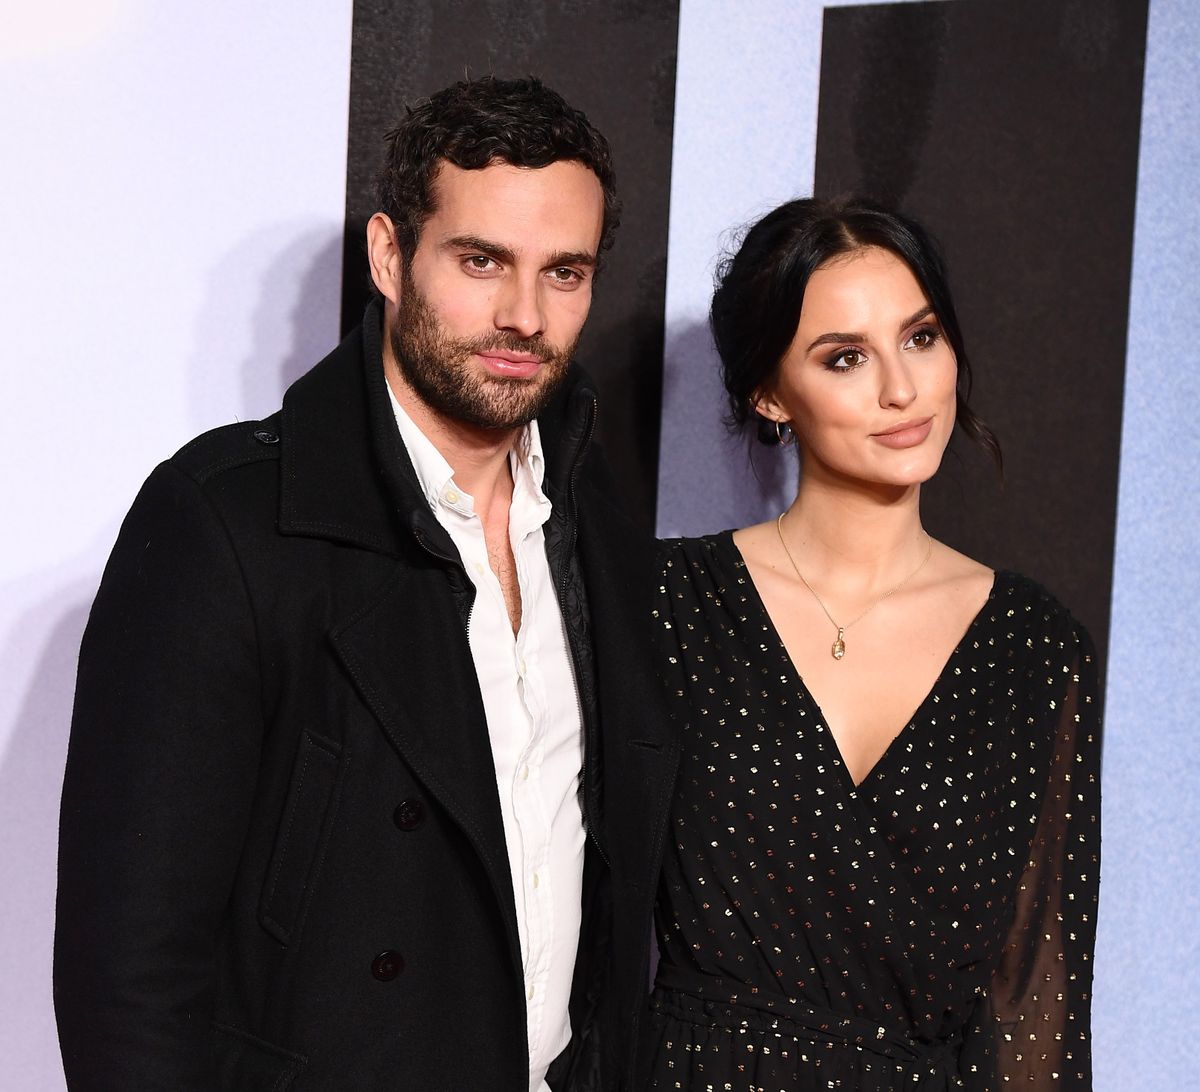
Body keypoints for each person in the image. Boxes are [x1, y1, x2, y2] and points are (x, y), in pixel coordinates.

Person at [54, 76, 678, 1092]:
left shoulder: (592, 513)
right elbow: (126, 971)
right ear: (390, 255)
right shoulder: (229, 521)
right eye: (482, 262)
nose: (524, 315)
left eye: (564, 273)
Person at [643, 197, 1101, 1090]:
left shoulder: (1035, 649)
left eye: (921, 338)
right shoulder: (665, 604)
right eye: (845, 357)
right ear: (770, 393)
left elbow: (1037, 999)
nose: (903, 388)